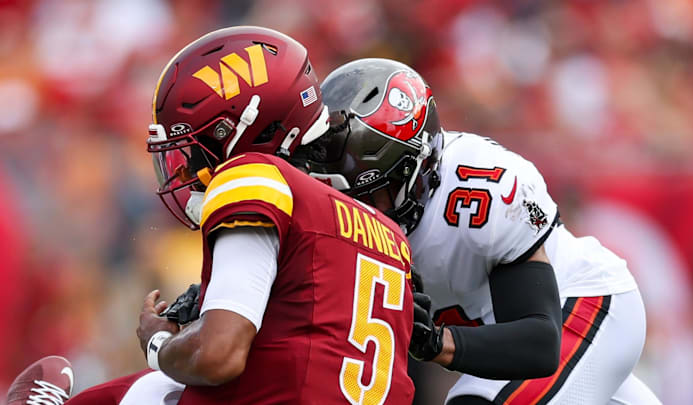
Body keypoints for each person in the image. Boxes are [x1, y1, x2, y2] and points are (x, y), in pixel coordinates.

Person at [7, 29, 415, 405]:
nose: (185, 170)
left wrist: (159, 344)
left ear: (242, 129)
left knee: (154, 389)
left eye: (195, 147)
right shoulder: (390, 234)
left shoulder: (254, 175)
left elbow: (218, 356)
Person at [303, 58, 661, 404]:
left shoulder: (480, 189)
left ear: (420, 167)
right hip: (506, 349)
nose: (360, 211)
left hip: (583, 306)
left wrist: (436, 342)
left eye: (374, 194)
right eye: (343, 196)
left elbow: (540, 341)